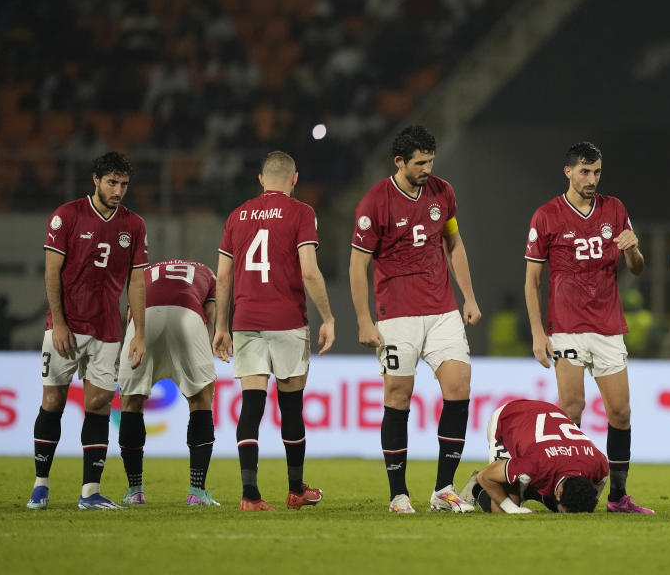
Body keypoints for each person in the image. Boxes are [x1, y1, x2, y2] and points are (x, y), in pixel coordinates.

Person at [349, 124, 481, 514]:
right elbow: (358, 266)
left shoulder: (443, 192)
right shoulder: (375, 202)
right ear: (399, 162)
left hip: (442, 311)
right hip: (396, 315)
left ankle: (444, 489)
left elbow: (453, 243)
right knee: (398, 396)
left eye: (431, 161)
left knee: (459, 387)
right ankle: (398, 494)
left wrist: (468, 298)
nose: (427, 168)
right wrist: (363, 320)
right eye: (420, 162)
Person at [524, 141, 653, 514]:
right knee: (571, 409)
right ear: (568, 171)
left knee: (621, 413)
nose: (592, 178)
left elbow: (638, 268)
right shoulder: (547, 215)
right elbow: (532, 281)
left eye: (596, 171)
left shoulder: (615, 209)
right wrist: (537, 333)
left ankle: (618, 497)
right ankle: (562, 490)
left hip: (609, 325)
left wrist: (632, 249)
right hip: (566, 327)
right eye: (584, 171)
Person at [213, 151, 335, 512]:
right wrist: (328, 316)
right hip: (286, 321)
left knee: (251, 407)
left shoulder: (237, 215)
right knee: (292, 407)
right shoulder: (302, 213)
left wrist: (221, 325)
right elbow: (310, 272)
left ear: (261, 180)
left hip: (246, 320)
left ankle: (250, 495)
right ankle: (296, 490)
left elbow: (222, 276)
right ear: (294, 179)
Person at [28, 152, 148, 510]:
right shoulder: (66, 216)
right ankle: (40, 485)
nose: (118, 190)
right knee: (53, 402)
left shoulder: (134, 225)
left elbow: (137, 282)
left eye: (124, 184)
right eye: (112, 182)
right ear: (95, 179)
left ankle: (90, 492)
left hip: (108, 330)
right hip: (67, 328)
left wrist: (138, 332)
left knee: (97, 406)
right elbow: (52, 274)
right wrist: (59, 322)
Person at [117, 259, 221, 507]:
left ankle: (135, 491)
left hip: (145, 317)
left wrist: (134, 339)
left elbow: (130, 311)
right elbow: (209, 314)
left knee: (131, 402)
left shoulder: (148, 271)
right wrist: (207, 343)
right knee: (200, 400)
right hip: (187, 316)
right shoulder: (208, 273)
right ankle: (197, 492)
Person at [460, 399, 608, 514]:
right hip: (509, 417)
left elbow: (601, 480)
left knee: (558, 501)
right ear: (559, 491)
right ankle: (476, 489)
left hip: (547, 413)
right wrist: (513, 509)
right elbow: (486, 477)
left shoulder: (597, 463)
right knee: (502, 509)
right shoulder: (534, 465)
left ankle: (528, 489)